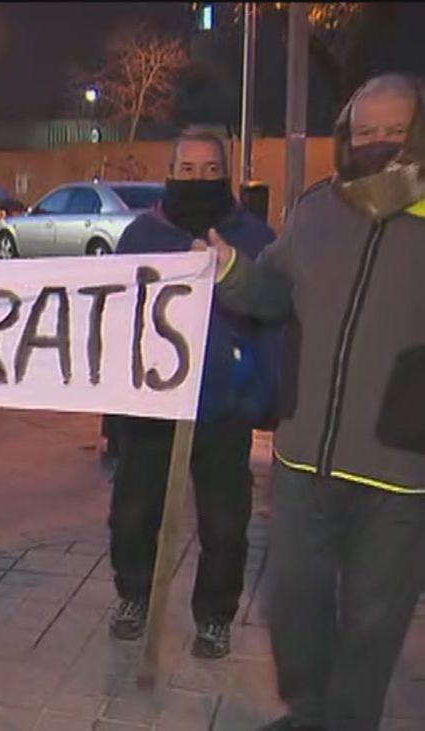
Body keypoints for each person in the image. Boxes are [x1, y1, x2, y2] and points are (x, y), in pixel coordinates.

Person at [199, 74, 425, 731]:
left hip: (400, 471)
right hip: (303, 460)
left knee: (375, 619)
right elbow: (271, 291)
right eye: (365, 131)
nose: (379, 144)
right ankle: (311, 709)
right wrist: (231, 273)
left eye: (395, 131)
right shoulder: (317, 208)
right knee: (292, 600)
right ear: (346, 136)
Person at [106, 130, 277, 660]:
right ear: (170, 170)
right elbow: (112, 320)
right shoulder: (139, 236)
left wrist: (257, 395)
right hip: (151, 407)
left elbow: (272, 317)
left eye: (209, 169)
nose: (197, 178)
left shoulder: (255, 237)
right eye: (187, 168)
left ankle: (215, 617)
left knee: (225, 524)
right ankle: (133, 595)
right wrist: (114, 404)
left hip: (223, 411)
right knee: (134, 513)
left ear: (223, 173)